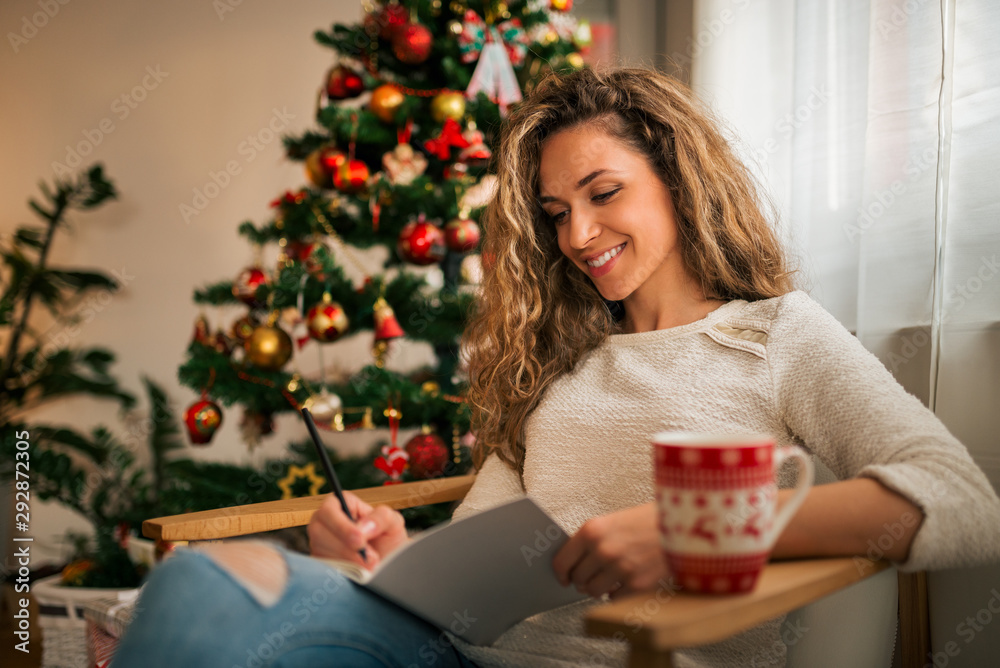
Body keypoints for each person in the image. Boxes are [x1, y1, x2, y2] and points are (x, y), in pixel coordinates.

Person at [112, 66, 1000, 668]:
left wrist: (692, 534)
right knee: (201, 577)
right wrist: (394, 553)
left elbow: (965, 505)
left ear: (679, 178)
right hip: (457, 654)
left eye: (604, 193)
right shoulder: (561, 363)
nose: (577, 236)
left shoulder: (777, 337)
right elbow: (479, 570)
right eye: (554, 212)